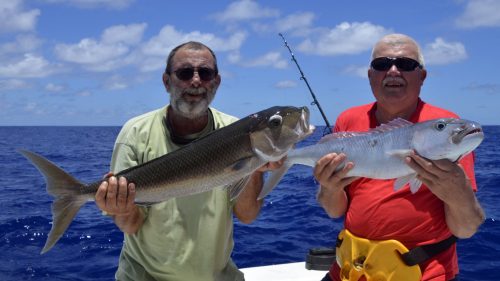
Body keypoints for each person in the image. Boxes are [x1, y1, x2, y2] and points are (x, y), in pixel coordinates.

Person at [94, 41, 281, 281]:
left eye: (205, 73)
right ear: (166, 81)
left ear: (216, 81)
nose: (196, 81)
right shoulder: (135, 133)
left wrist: (255, 166)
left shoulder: (236, 130)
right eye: (184, 73)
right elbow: (132, 225)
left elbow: (247, 215)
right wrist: (122, 208)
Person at [314, 34, 485, 281]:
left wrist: (458, 191)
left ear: (422, 76)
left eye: (406, 65)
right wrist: (329, 188)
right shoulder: (348, 121)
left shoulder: (447, 129)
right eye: (382, 64)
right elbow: (334, 211)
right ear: (371, 75)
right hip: (350, 269)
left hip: (423, 274)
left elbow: (465, 229)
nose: (393, 71)